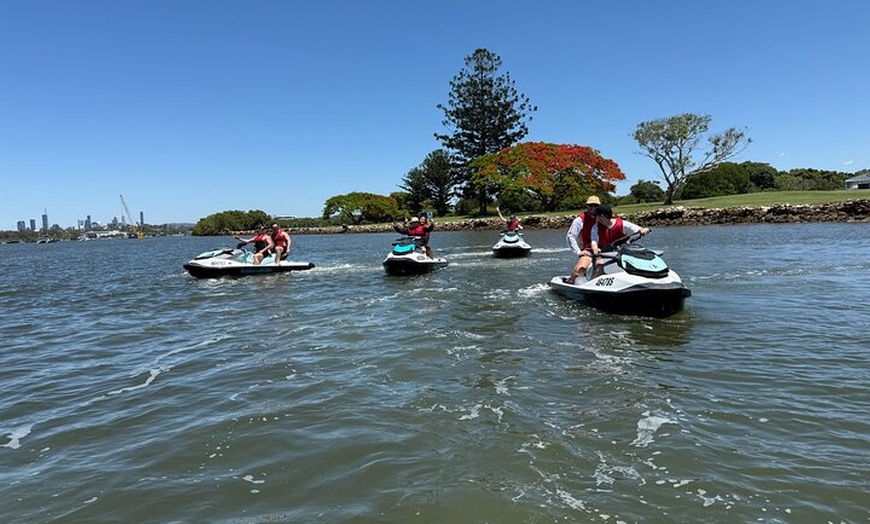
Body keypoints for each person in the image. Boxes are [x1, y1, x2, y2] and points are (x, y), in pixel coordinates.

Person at [589, 204, 650, 278]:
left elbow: (638, 229)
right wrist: (595, 249)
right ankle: (593, 283)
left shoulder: (622, 224)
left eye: (596, 216)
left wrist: (643, 230)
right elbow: (594, 241)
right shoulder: (595, 228)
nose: (596, 218)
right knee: (600, 264)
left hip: (622, 253)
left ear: (601, 216)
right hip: (604, 254)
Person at [564, 196, 601, 284]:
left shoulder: (603, 218)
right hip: (587, 251)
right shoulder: (580, 220)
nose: (593, 208)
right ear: (586, 206)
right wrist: (578, 252)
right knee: (581, 269)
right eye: (590, 205)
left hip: (604, 251)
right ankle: (571, 280)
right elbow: (570, 236)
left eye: (595, 206)